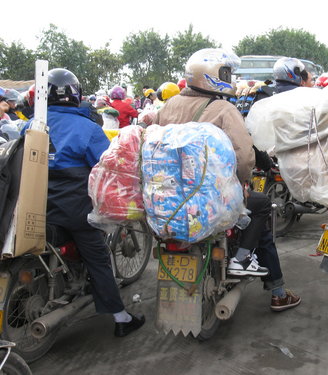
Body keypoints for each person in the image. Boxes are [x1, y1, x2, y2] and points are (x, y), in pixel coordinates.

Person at [155, 48, 301, 311]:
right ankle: (271, 285)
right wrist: (240, 184)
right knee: (261, 209)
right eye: (226, 72)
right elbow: (244, 156)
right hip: (210, 197)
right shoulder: (223, 108)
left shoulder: (168, 106)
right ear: (212, 75)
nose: (230, 76)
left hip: (172, 199)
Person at [38, 68, 145, 337]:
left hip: (37, 209)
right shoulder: (87, 128)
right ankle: (121, 318)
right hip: (75, 212)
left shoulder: (31, 124)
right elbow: (109, 166)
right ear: (75, 94)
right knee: (98, 258)